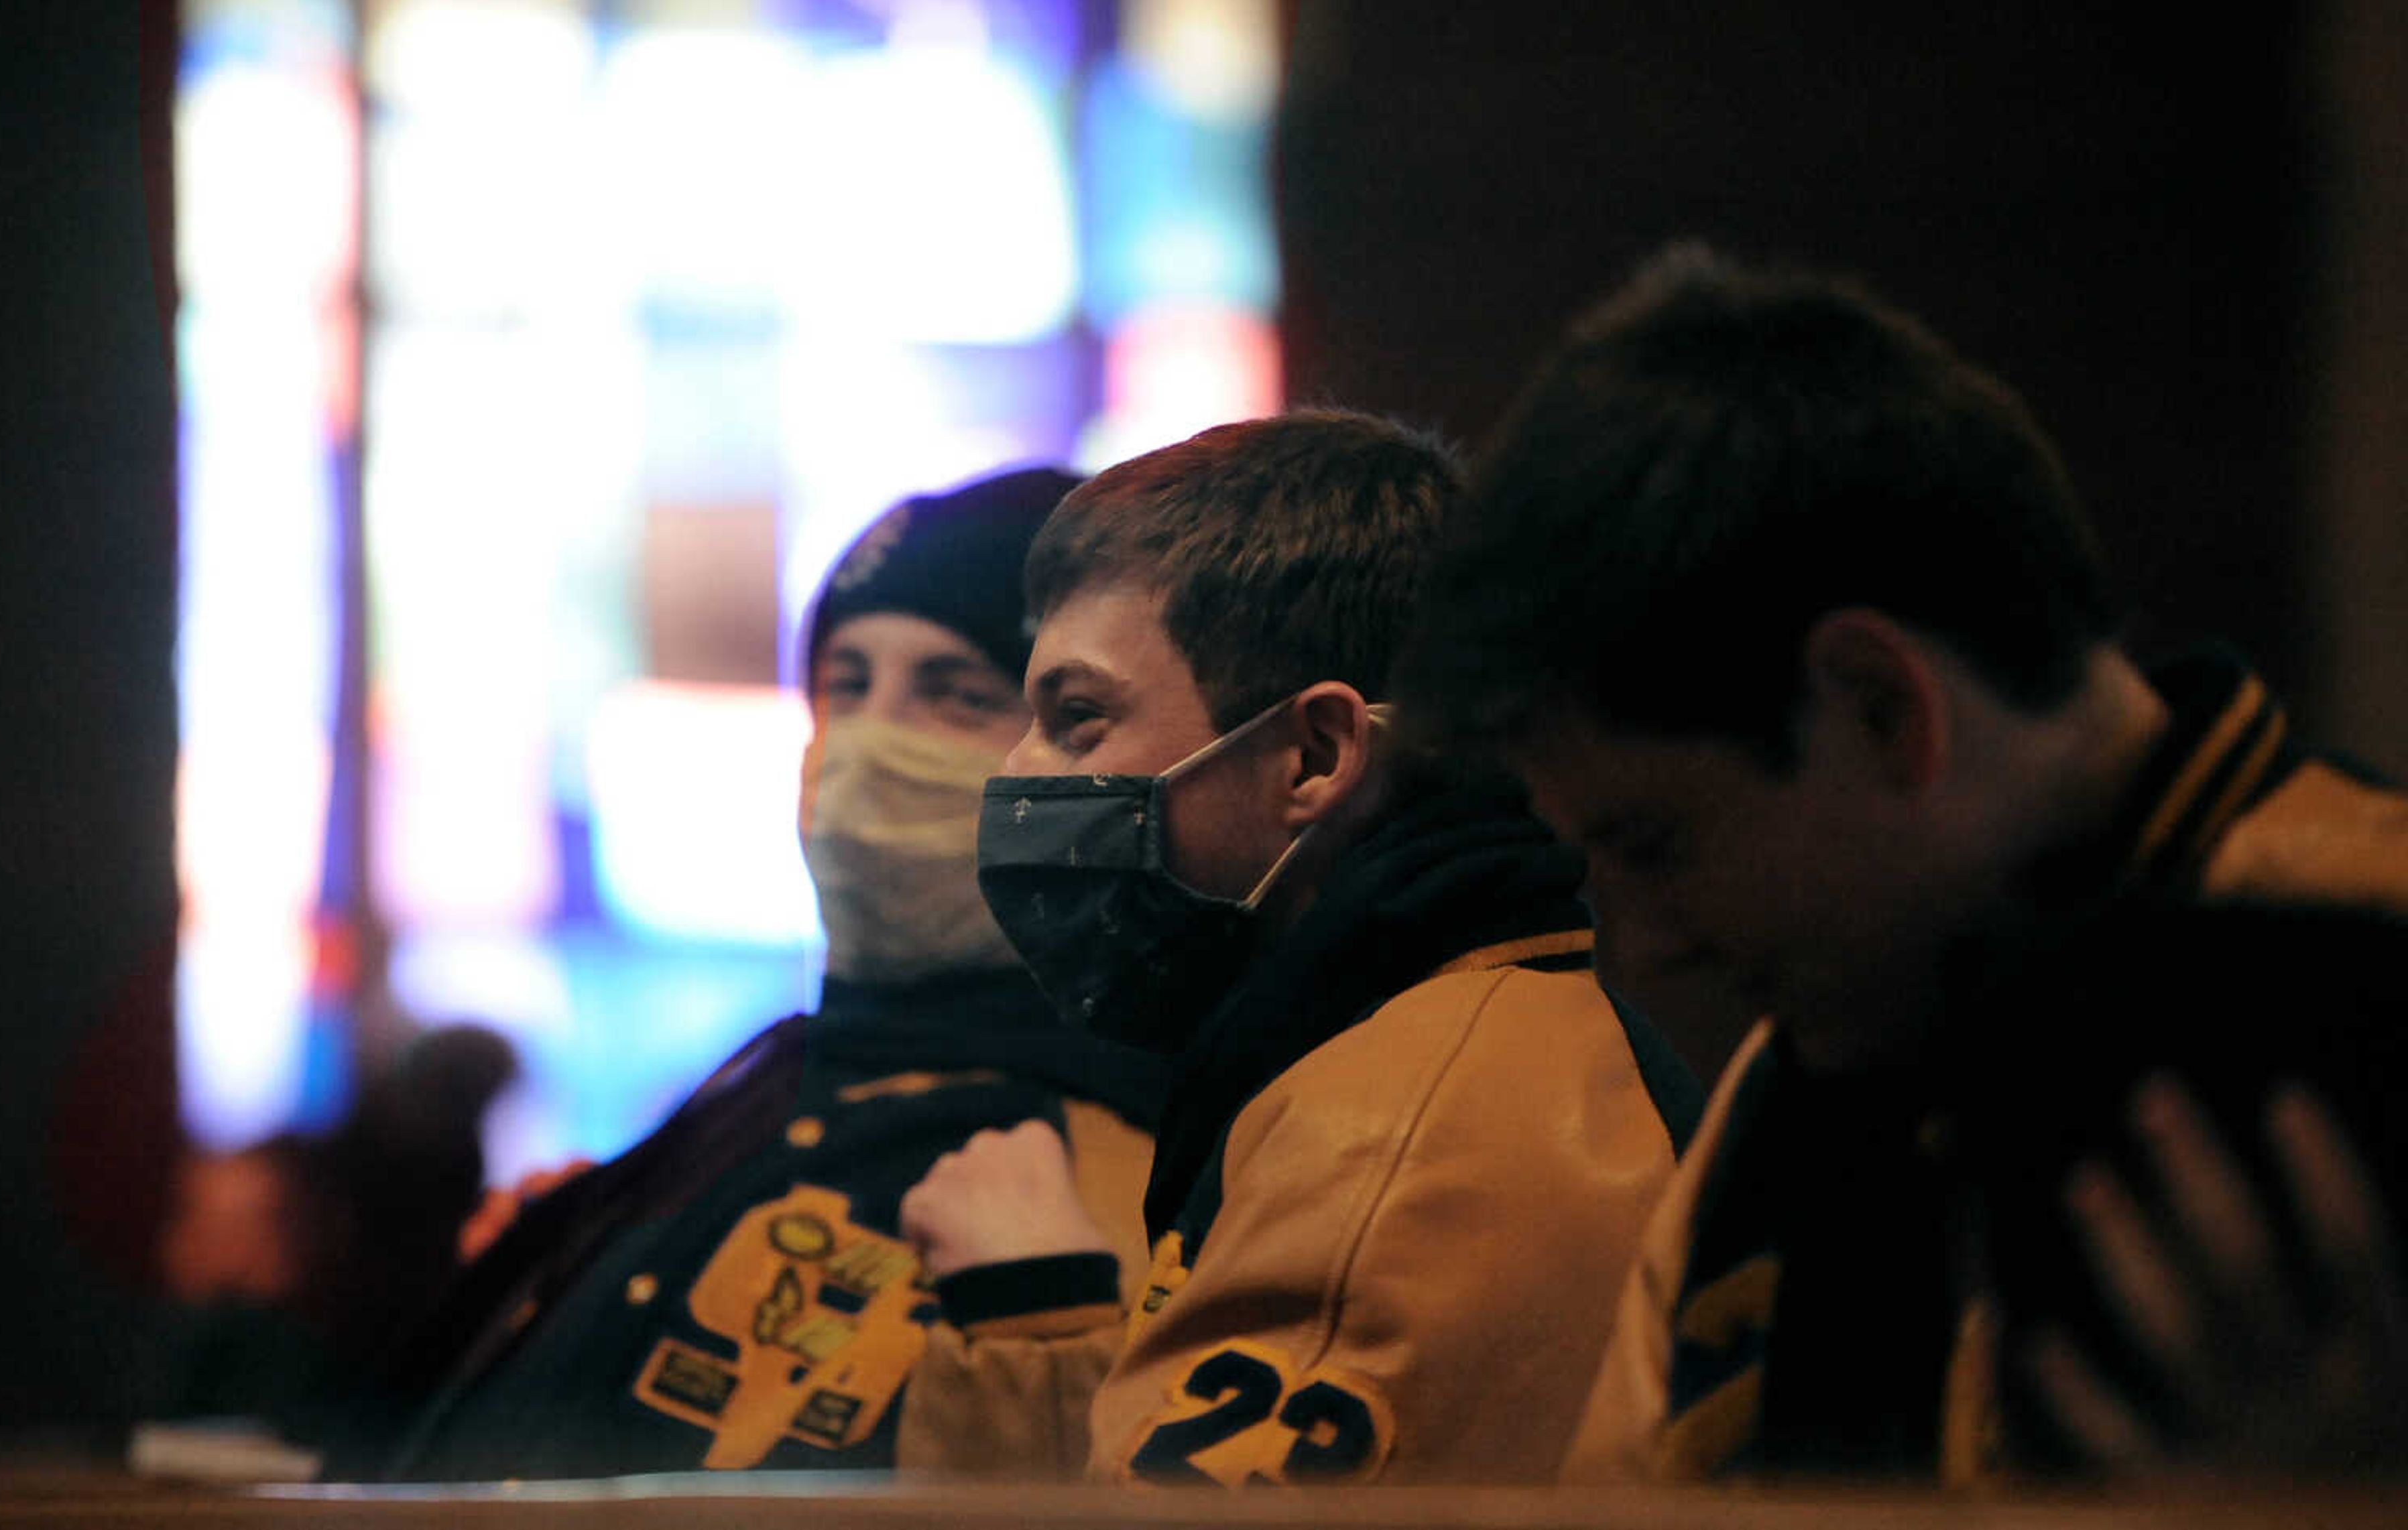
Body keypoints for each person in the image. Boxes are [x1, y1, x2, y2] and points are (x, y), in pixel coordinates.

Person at [1396, 244, 2408, 1481]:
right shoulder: (1780, 1107)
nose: (1645, 938)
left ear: (1880, 705)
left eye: (1654, 843)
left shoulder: (2369, 961)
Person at [893, 411, 1696, 1485]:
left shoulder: (1390, 1155)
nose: (1020, 772)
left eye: (1079, 717)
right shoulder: (1418, 1038)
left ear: (1314, 756)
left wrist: (1030, 1333)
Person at [325, 467, 1168, 1481]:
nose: (869, 743)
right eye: (845, 686)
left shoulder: (1130, 1169)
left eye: (957, 696)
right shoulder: (751, 1105)